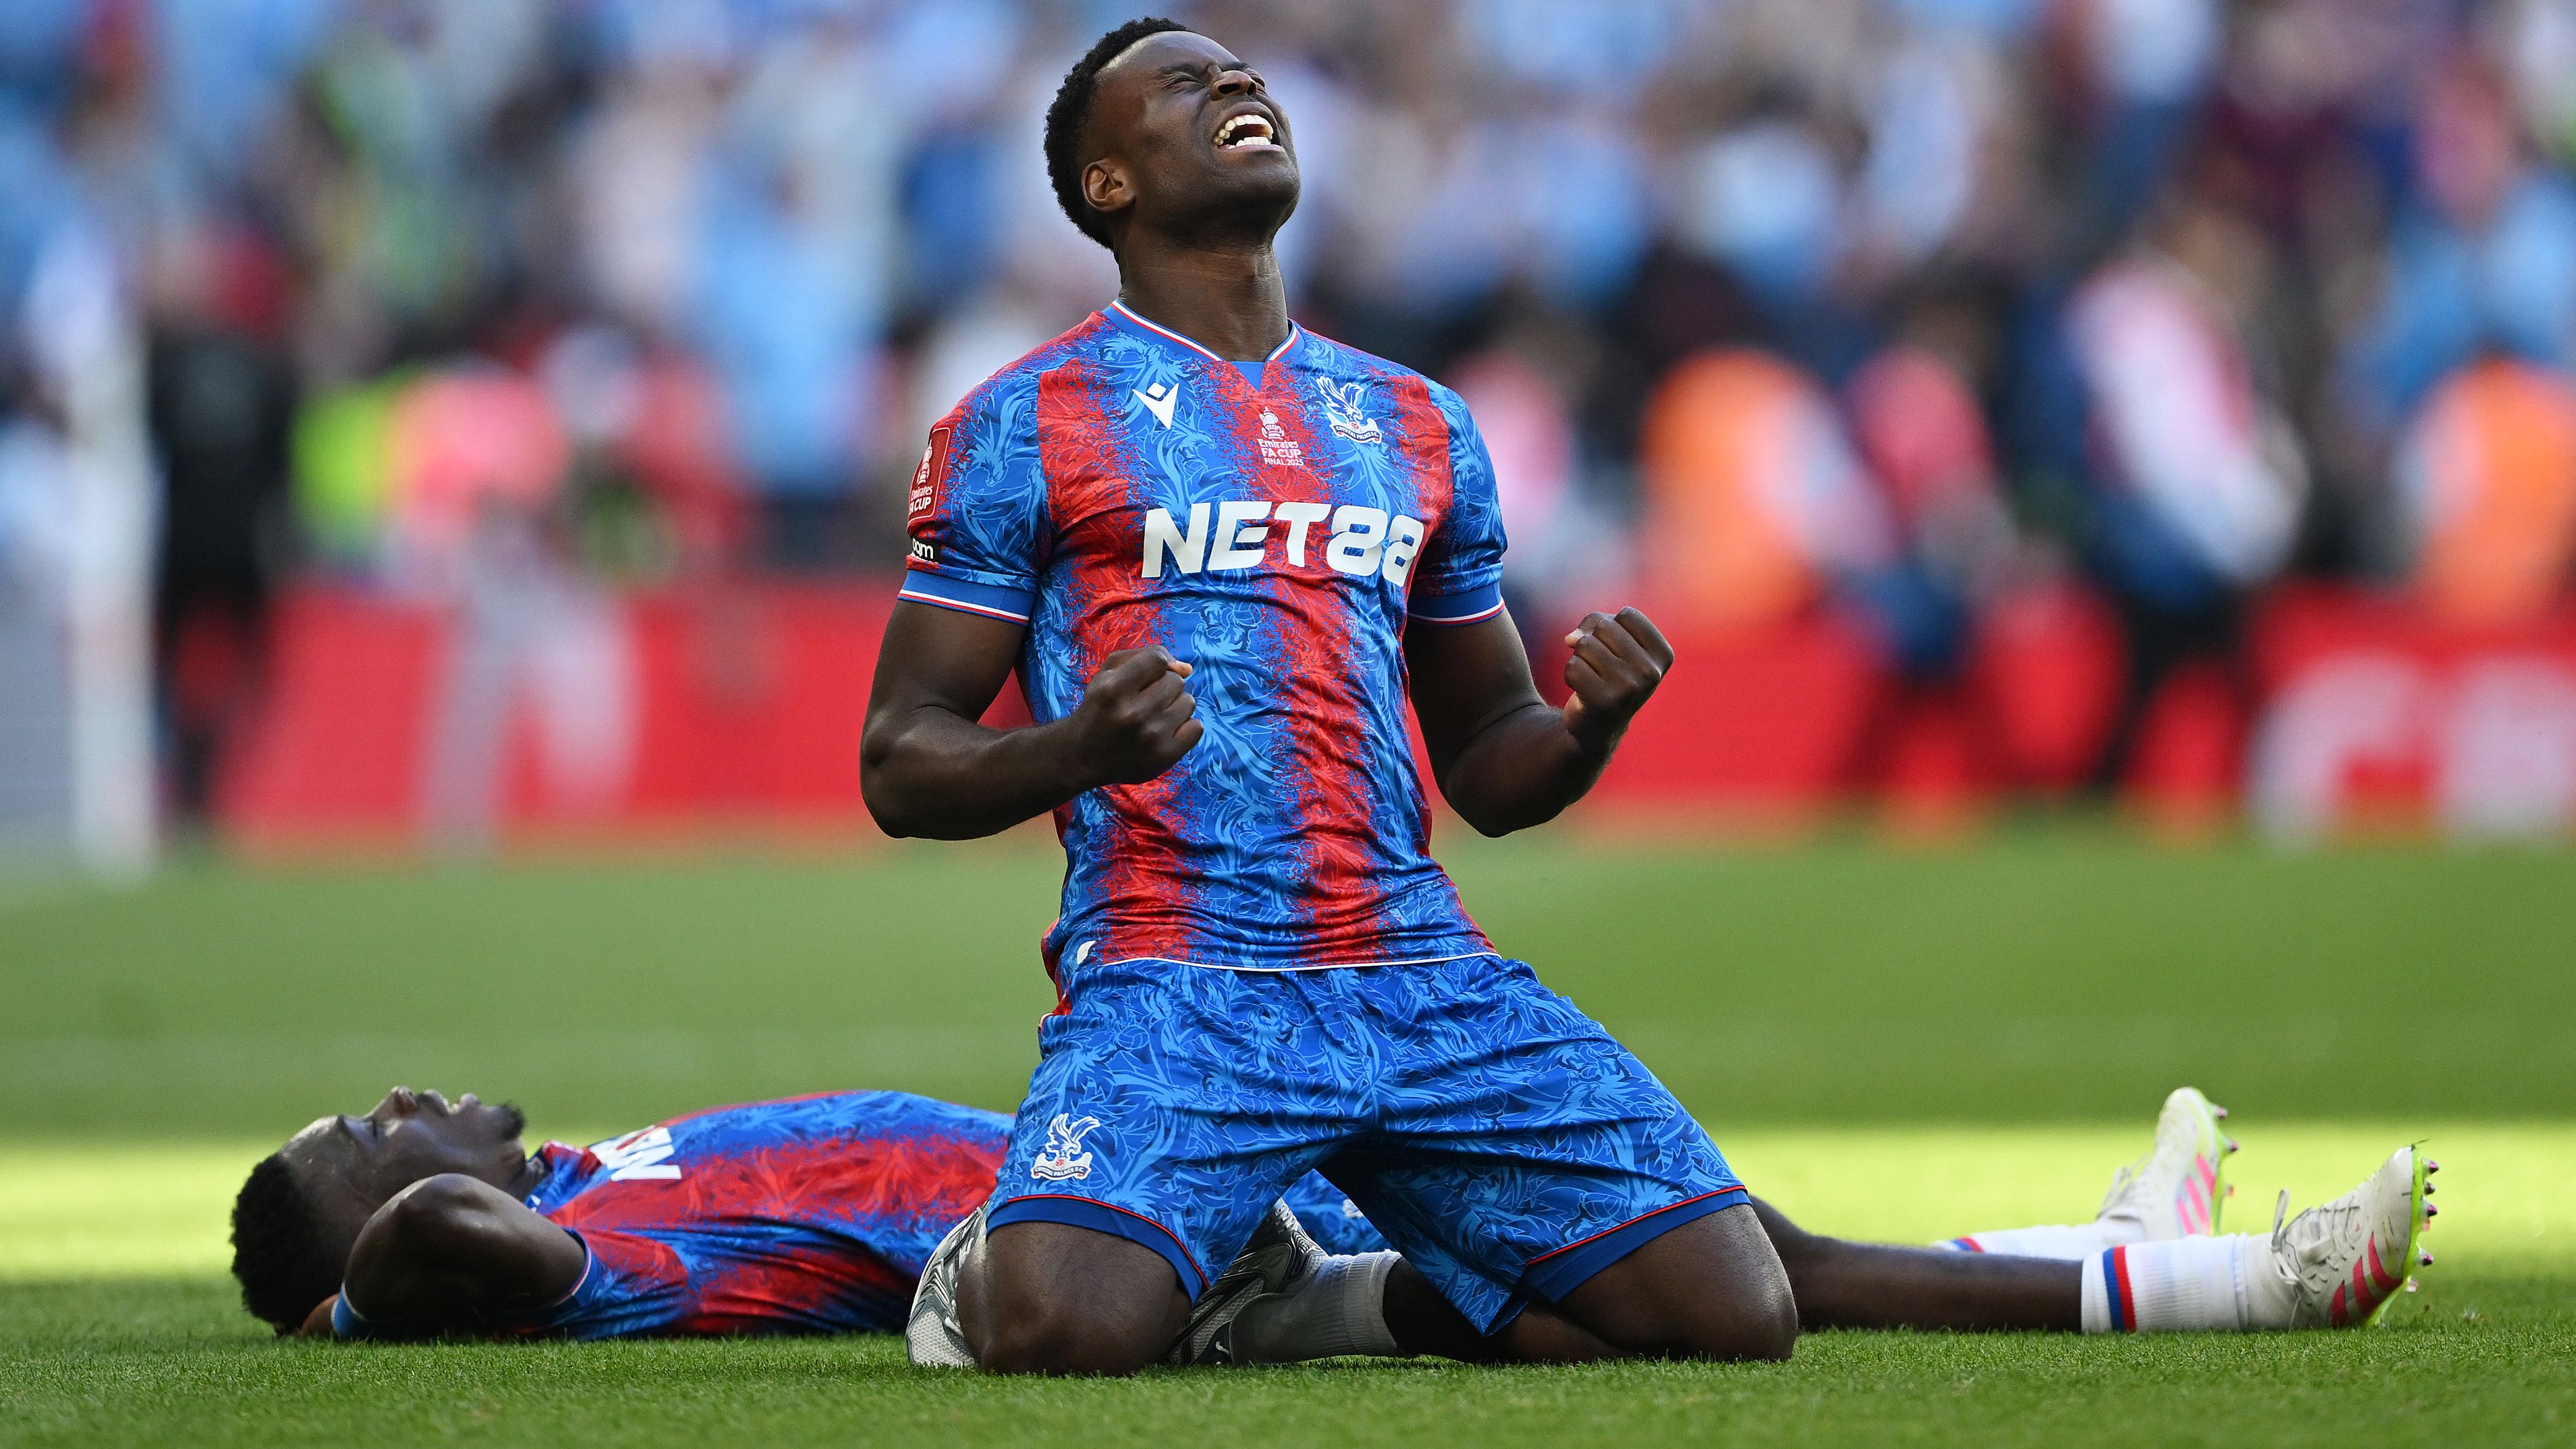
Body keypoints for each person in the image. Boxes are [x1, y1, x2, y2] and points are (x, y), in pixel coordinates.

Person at [856, 20, 2428, 1377]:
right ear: (1107, 187)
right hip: (1182, 979)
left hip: (1416, 973)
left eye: (1243, 72)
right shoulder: (1021, 423)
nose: (1234, 86)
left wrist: (1584, 728)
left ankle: (1286, 1283)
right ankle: (1027, 1261)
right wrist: (1069, 749)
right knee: (1063, 1330)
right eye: (1183, 88)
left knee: (1729, 1310)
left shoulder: (1413, 422)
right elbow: (898, 759)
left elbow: (1488, 762)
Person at [227, 1083, 2432, 1349]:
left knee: (1690, 1228)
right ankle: (2219, 1282)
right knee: (1690, 1262)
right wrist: (391, 1234)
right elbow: (466, 1263)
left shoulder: (611, 1154)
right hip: (1162, 1244)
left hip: (1158, 1159)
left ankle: (2108, 1244)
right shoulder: (557, 1243)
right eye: (359, 1123)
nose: (402, 1100)